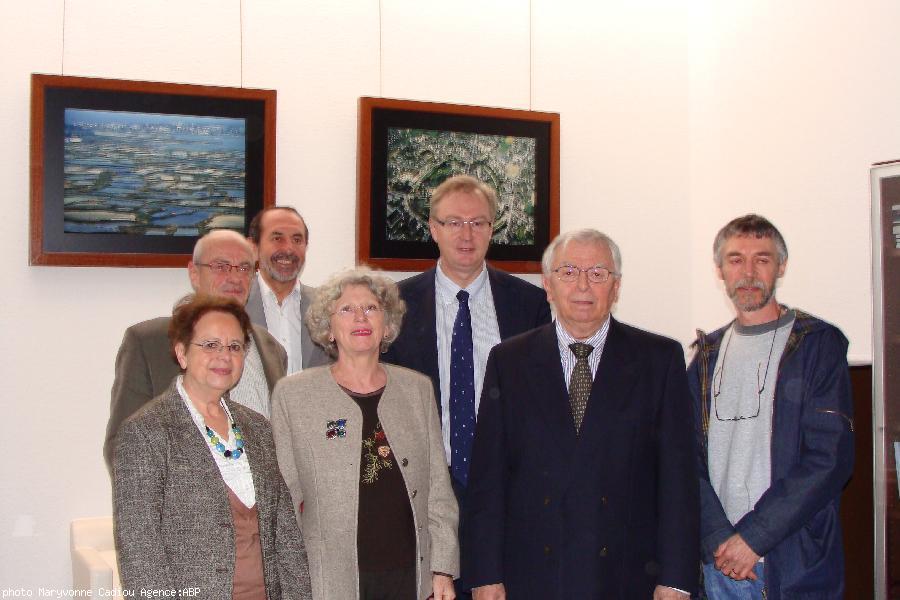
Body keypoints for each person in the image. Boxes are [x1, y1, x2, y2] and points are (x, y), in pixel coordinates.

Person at [465, 228, 699, 600]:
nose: (583, 286)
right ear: (548, 284)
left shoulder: (658, 360)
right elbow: (487, 479)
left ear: (617, 286)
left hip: (628, 572)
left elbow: (678, 481)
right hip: (531, 572)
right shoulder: (509, 361)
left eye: (598, 274)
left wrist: (676, 578)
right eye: (569, 272)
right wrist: (484, 575)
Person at [383, 175, 550, 597]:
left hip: (508, 494)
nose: (466, 234)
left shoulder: (529, 304)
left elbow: (542, 404)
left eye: (478, 223)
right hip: (424, 493)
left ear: (493, 230)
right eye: (453, 222)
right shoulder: (394, 305)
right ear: (433, 228)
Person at [688, 214, 854, 599]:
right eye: (735, 260)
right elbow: (686, 459)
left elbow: (830, 459)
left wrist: (754, 539)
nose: (748, 272)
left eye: (761, 259)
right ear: (720, 270)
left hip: (792, 563)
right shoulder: (704, 358)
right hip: (719, 565)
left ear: (781, 266)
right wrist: (719, 540)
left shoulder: (817, 346)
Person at [272, 268, 458, 600]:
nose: (361, 316)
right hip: (330, 578)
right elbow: (283, 502)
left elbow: (438, 493)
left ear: (386, 325)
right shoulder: (293, 396)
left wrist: (442, 568)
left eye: (371, 308)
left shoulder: (417, 388)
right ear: (328, 329)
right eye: (346, 309)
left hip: (410, 574)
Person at [113, 295, 312, 599]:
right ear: (181, 353)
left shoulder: (257, 427)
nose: (224, 356)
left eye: (234, 347)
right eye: (210, 345)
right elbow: (140, 549)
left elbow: (285, 531)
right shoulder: (146, 432)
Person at [104, 230, 287, 470]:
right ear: (194, 273)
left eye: (244, 268)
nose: (235, 278)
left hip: (262, 502)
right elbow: (123, 446)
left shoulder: (270, 347)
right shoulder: (149, 342)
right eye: (221, 266)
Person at [246, 207, 330, 374]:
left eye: (297, 240)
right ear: (253, 247)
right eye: (277, 238)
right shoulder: (234, 305)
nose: (289, 249)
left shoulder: (329, 308)